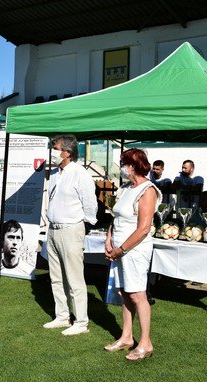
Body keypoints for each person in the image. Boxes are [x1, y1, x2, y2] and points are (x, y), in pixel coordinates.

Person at [104, 148, 161, 361]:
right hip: (119, 249)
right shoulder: (126, 188)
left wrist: (121, 249)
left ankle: (145, 343)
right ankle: (126, 337)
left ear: (133, 165)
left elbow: (144, 228)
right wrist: (109, 239)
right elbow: (116, 217)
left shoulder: (148, 190)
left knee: (138, 294)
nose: (121, 168)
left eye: (123, 164)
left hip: (135, 250)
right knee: (124, 293)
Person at [43, 135, 98, 336]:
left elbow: (90, 203)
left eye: (56, 148)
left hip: (71, 229)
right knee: (56, 276)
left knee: (74, 277)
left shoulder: (80, 173)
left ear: (67, 152)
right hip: (53, 229)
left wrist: (86, 223)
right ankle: (62, 316)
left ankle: (81, 321)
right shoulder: (56, 174)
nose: (52, 152)